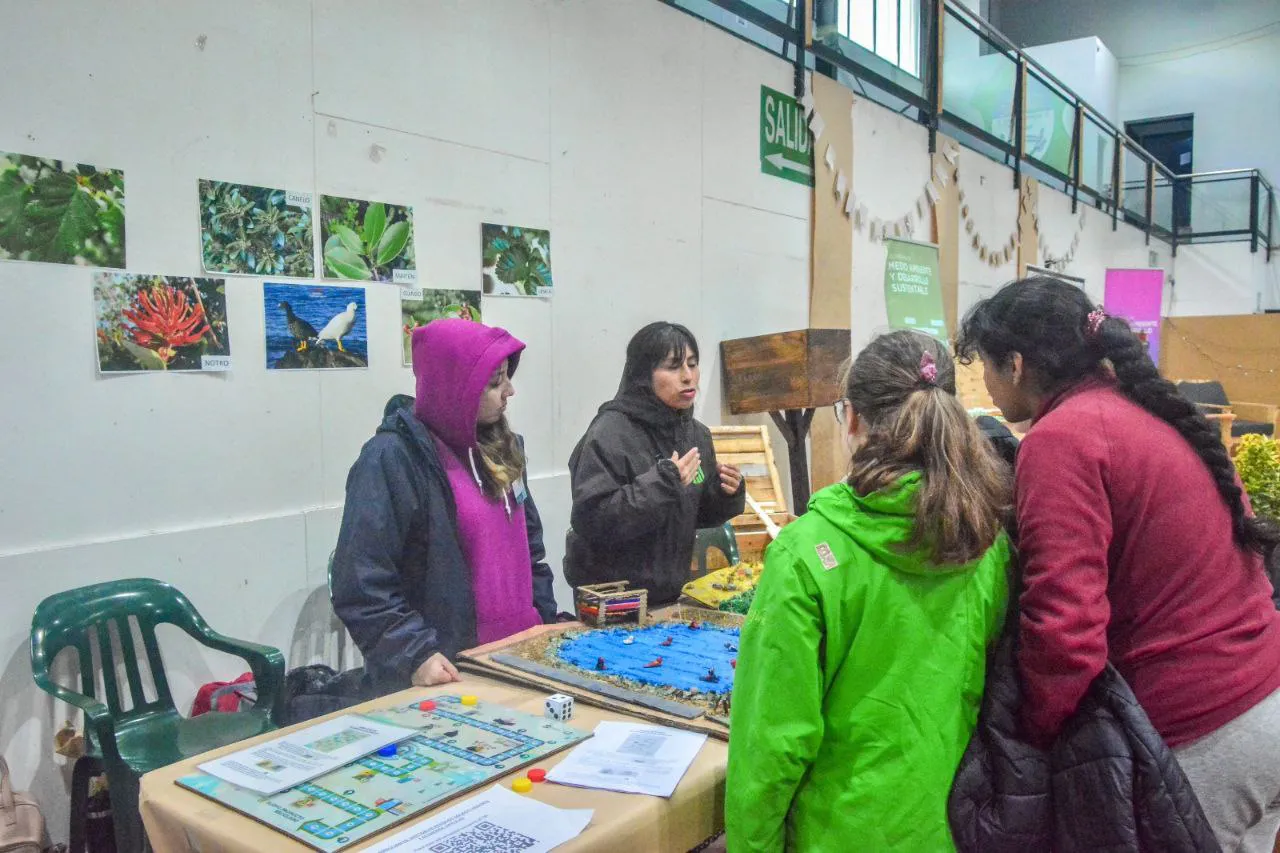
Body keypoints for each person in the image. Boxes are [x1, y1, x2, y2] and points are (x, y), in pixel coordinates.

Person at [956, 276, 1280, 852]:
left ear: (1016, 363)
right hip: (1263, 697)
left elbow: (1064, 629)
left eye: (983, 365)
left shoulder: (1063, 438)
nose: (982, 383)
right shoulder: (1152, 409)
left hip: (1205, 727)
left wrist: (1030, 740)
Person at [727, 330, 1013, 852]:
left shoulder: (806, 553)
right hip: (955, 823)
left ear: (852, 419)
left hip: (842, 832)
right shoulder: (984, 536)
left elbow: (772, 746)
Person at [330, 319, 557, 695]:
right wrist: (414, 654)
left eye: (507, 378)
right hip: (450, 672)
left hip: (520, 660)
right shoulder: (391, 459)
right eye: (495, 382)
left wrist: (544, 615)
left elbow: (529, 549)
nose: (510, 391)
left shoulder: (504, 449)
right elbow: (360, 579)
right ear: (457, 387)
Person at [564, 321, 745, 605]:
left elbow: (695, 514)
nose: (688, 377)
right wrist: (663, 484)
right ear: (643, 375)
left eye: (693, 364)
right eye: (673, 367)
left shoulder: (695, 434)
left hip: (670, 596)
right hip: (613, 602)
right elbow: (593, 519)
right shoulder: (609, 433)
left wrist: (725, 494)